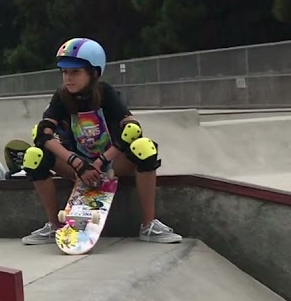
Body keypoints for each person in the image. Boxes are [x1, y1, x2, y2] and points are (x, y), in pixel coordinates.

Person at [16, 37, 182, 245]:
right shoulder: (61, 97)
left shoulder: (105, 93)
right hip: (77, 168)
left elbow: (133, 128)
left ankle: (149, 225)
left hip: (112, 166)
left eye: (75, 72)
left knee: (144, 146)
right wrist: (77, 163)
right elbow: (42, 134)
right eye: (65, 72)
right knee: (34, 155)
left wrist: (102, 160)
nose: (68, 78)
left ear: (93, 73)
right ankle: (53, 226)